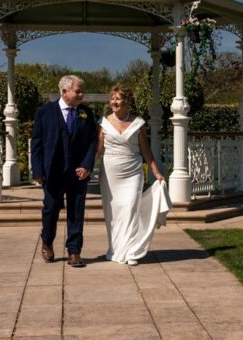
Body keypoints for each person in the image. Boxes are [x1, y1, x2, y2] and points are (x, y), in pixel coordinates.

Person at [96, 84, 168, 266]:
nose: (114, 102)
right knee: (113, 213)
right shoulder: (103, 123)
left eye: (118, 98)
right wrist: (85, 166)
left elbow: (146, 150)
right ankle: (115, 249)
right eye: (112, 98)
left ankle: (131, 252)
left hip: (133, 173)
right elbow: (98, 150)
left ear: (127, 101)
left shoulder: (138, 124)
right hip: (110, 174)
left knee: (130, 209)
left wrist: (156, 171)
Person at [30, 75, 98, 268]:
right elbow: (36, 144)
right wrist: (37, 170)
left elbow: (92, 142)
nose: (81, 94)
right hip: (53, 171)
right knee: (51, 210)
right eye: (78, 91)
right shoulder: (44, 112)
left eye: (82, 91)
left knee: (76, 212)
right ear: (64, 91)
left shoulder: (86, 113)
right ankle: (47, 241)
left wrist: (87, 165)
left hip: (78, 173)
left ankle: (74, 252)